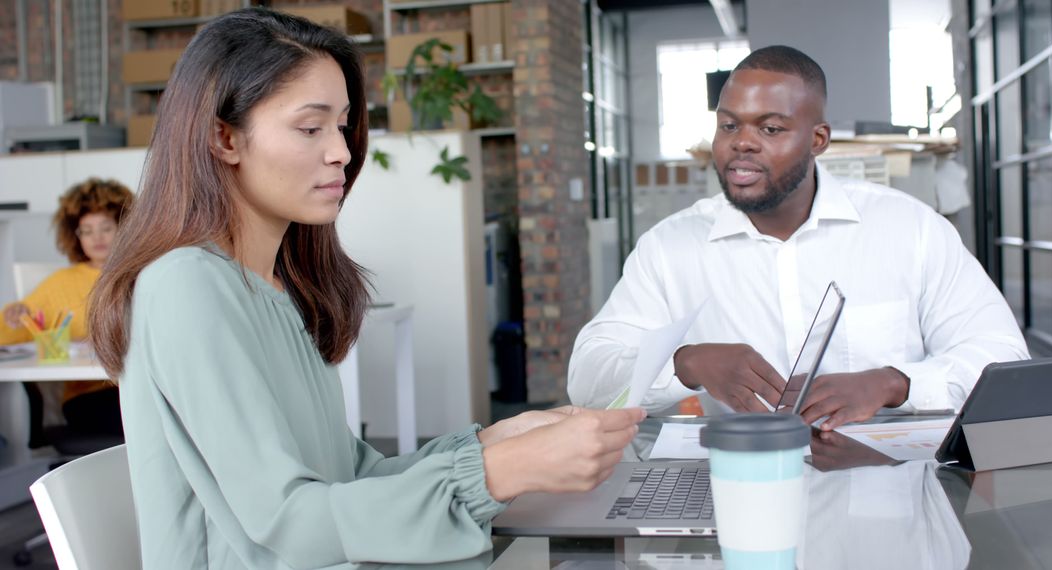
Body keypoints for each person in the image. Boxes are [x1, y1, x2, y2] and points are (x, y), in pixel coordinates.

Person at [88, 8, 643, 568]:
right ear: (224, 138)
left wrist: (499, 442)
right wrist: (508, 470)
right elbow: (288, 523)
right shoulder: (185, 287)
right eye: (311, 128)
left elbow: (351, 479)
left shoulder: (274, 287)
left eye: (343, 125)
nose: (342, 151)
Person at [567, 45, 1028, 430]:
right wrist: (685, 362)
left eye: (770, 128)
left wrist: (894, 384)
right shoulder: (670, 248)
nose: (742, 142)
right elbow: (588, 378)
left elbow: (1002, 359)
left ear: (818, 139)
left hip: (886, 497)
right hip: (743, 493)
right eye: (729, 125)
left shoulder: (909, 229)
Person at [1, 178, 133, 436]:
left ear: (124, 226)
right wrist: (14, 314)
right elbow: (16, 330)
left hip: (140, 388)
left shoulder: (141, 274)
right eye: (86, 230)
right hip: (90, 396)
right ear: (75, 235)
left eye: (106, 227)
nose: (97, 238)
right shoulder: (60, 283)